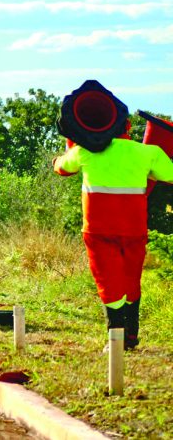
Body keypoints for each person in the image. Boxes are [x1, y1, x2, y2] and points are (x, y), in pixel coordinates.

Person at [53, 125, 173, 350]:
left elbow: (62, 168)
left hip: (99, 231)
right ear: (127, 125)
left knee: (108, 282)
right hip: (134, 230)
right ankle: (130, 336)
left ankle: (116, 336)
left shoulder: (83, 150)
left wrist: (71, 142)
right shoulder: (148, 152)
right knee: (131, 279)